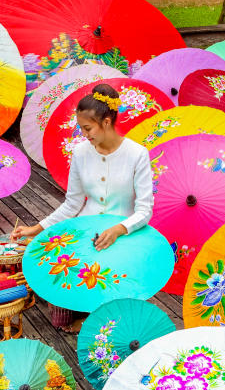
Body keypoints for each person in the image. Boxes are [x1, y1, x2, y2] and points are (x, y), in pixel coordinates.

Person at [11, 84, 154, 332]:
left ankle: (98, 314)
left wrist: (120, 228)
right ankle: (84, 308)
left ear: (107, 122)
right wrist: (36, 229)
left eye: (88, 128)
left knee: (105, 273)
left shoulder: (137, 154)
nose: (84, 134)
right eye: (81, 128)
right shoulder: (80, 152)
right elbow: (72, 204)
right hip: (86, 229)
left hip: (123, 235)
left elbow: (144, 210)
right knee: (46, 261)